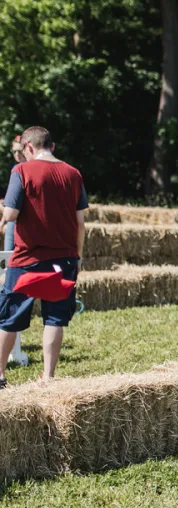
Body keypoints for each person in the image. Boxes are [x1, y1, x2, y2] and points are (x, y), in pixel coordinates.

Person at [0, 127, 88, 388]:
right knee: (54, 319)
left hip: (27, 260)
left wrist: (4, 209)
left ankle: (0, 375)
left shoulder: (22, 171)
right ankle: (48, 378)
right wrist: (79, 257)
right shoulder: (73, 174)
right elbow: (81, 222)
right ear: (52, 146)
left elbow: (12, 215)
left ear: (28, 147)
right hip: (64, 258)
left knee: (9, 319)